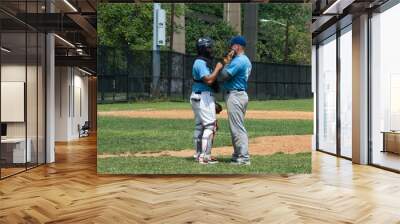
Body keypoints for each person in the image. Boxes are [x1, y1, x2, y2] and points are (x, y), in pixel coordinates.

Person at [190, 37, 224, 164]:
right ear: (203, 49)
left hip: (200, 96)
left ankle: (199, 154)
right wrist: (218, 68)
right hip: (203, 96)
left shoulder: (201, 62)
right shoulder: (200, 63)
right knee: (210, 126)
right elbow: (209, 80)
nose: (211, 50)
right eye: (209, 47)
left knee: (200, 126)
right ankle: (204, 157)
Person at [220, 36, 252, 165]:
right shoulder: (245, 60)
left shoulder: (239, 61)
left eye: (232, 46)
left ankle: (244, 158)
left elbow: (224, 75)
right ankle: (237, 155)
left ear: (237, 46)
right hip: (239, 94)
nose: (230, 48)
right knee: (235, 126)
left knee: (237, 127)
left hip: (235, 95)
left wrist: (226, 62)